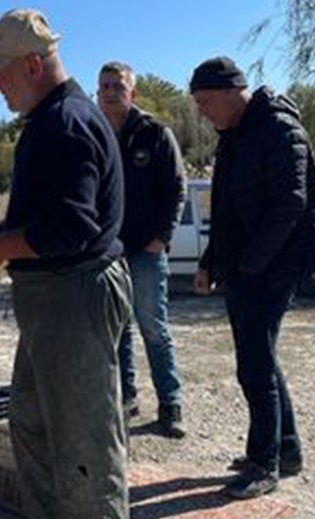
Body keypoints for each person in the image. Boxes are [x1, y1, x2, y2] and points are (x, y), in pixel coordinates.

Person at [0, 8, 132, 519]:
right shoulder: (49, 121)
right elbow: (50, 216)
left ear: (32, 65)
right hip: (50, 296)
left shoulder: (67, 124)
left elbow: (70, 226)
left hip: (74, 295)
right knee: (33, 422)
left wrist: (1, 246)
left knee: (84, 433)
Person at [189, 57, 315, 499]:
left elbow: (289, 206)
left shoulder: (278, 127)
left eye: (206, 101)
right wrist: (210, 261)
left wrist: (251, 266)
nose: (202, 112)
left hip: (277, 264)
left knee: (254, 365)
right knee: (262, 357)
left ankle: (263, 463)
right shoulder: (232, 136)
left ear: (234, 90)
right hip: (248, 264)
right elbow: (226, 210)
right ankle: (285, 450)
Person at [97, 61, 188, 439]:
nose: (111, 92)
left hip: (147, 251)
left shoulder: (155, 134)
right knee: (117, 330)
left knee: (153, 327)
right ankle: (126, 398)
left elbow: (177, 189)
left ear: (132, 93)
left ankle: (171, 403)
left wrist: (161, 238)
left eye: (118, 86)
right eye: (104, 86)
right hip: (108, 252)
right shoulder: (94, 133)